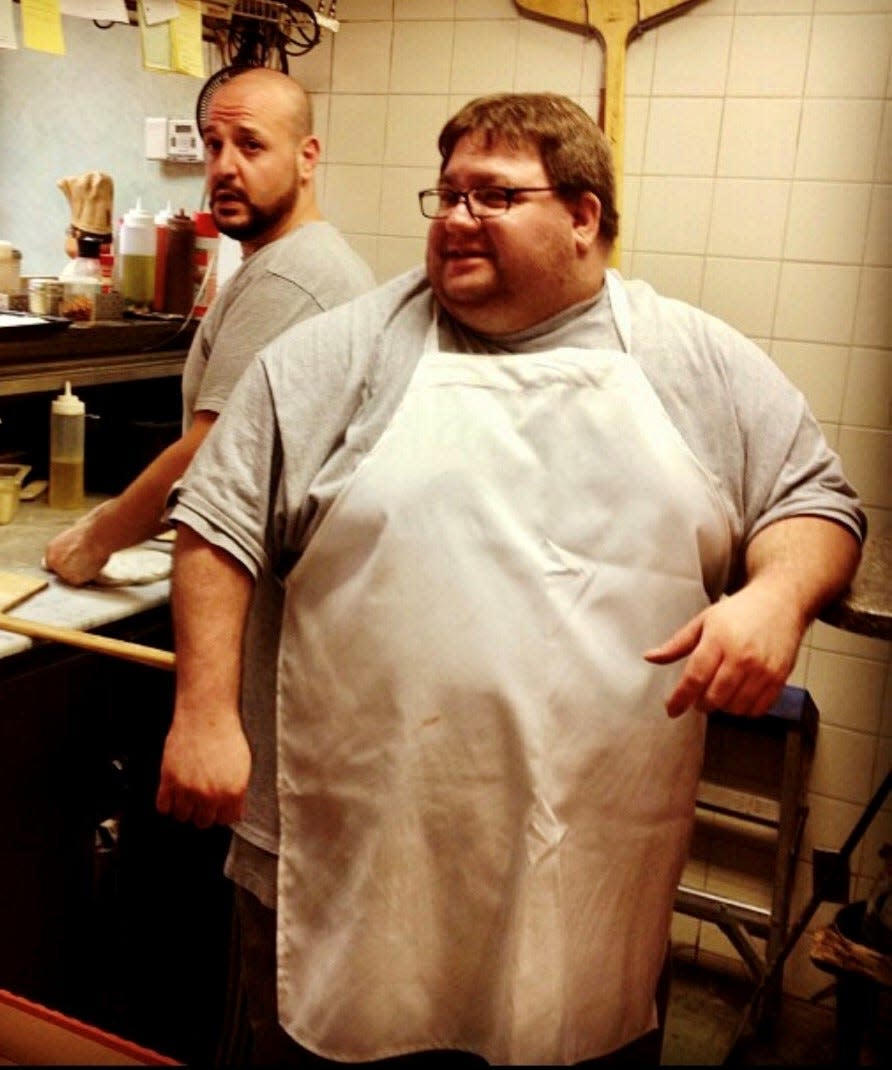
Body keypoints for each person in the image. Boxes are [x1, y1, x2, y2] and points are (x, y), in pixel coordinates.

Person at [156, 93, 865, 1066]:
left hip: (583, 854)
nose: (453, 219)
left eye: (492, 196)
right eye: (445, 194)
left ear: (583, 216)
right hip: (349, 848)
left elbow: (815, 501)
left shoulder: (688, 358)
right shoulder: (341, 353)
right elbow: (215, 518)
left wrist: (775, 596)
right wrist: (204, 711)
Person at [44, 67, 375, 586]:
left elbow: (211, 450)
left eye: (251, 146)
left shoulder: (291, 276)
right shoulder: (304, 260)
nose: (225, 167)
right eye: (214, 146)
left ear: (306, 157)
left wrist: (95, 540)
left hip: (265, 590)